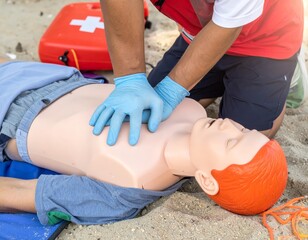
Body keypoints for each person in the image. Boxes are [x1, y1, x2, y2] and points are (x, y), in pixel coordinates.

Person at [0, 60, 287, 226]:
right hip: (51, 76)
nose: (229, 125)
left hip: (8, 118)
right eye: (242, 129)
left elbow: (21, 193)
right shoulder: (192, 110)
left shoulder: (125, 190)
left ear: (208, 182)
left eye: (231, 142)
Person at [90, 0, 304, 146]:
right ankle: (216, 83)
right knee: (147, 120)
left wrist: (170, 91)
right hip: (200, 33)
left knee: (239, 142)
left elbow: (227, 25)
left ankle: (285, 78)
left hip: (267, 39)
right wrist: (130, 79)